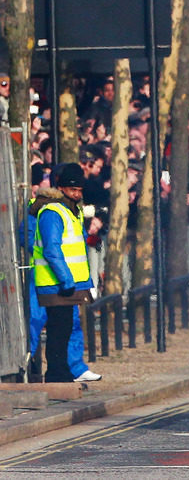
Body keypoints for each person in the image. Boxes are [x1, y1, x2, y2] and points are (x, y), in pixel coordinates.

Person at [30, 162, 97, 383]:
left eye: (79, 190)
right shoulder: (53, 211)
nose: (77, 194)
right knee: (58, 331)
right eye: (72, 190)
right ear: (61, 188)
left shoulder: (70, 209)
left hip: (65, 284)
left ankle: (62, 372)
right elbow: (52, 249)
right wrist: (67, 280)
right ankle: (56, 375)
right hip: (56, 283)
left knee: (65, 329)